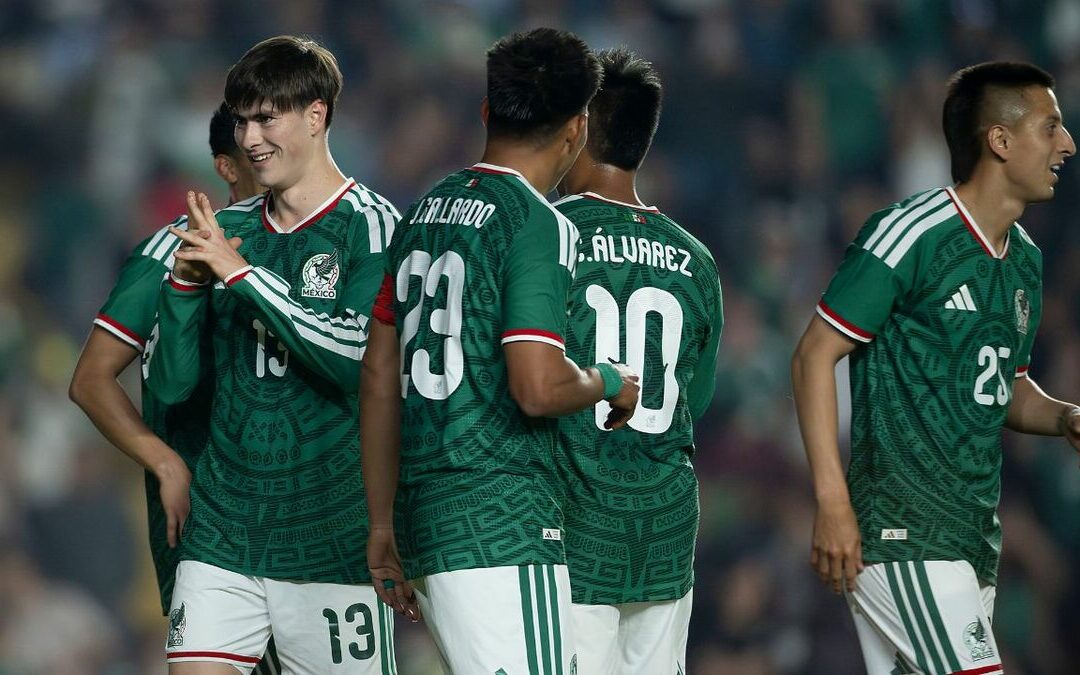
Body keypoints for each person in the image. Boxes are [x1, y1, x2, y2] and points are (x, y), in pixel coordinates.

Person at [359, 27, 640, 674]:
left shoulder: (424, 211)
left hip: (423, 517)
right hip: (500, 518)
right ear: (576, 130)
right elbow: (536, 387)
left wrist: (383, 522)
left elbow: (378, 374)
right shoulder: (540, 224)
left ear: (487, 113)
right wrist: (610, 380)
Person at [791, 61, 1080, 675]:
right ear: (999, 140)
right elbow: (815, 354)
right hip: (903, 534)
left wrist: (1062, 417)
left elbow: (1005, 388)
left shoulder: (1024, 260)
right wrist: (831, 500)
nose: (1067, 144)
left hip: (970, 541)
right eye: (1051, 126)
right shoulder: (912, 232)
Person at [143, 36, 400, 674]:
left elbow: (352, 358)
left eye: (266, 119)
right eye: (241, 120)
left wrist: (240, 276)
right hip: (224, 531)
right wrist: (181, 291)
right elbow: (173, 387)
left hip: (330, 540)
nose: (251, 138)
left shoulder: (371, 225)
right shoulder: (231, 230)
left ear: (316, 116)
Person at [70, 103, 283, 673]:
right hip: (208, 513)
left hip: (300, 513)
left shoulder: (312, 247)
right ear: (226, 167)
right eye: (253, 148)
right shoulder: (169, 248)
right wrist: (164, 462)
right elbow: (91, 378)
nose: (271, 157)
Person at [552, 48, 722, 675]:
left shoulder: (548, 234)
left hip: (571, 526)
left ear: (577, 131)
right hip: (664, 531)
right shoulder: (697, 261)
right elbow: (691, 401)